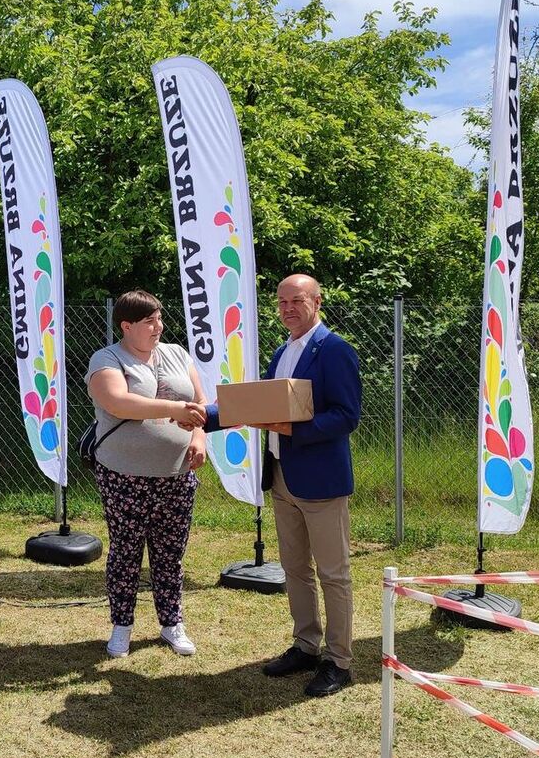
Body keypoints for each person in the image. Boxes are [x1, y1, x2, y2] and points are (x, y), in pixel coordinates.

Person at [207, 274, 362, 697]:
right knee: (295, 569)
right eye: (282, 302)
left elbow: (347, 416)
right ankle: (306, 646)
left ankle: (339, 661)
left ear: (317, 302)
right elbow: (256, 404)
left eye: (297, 300)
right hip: (282, 478)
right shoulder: (282, 352)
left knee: (333, 574)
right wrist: (204, 416)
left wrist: (295, 430)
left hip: (321, 483)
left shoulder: (334, 350)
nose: (288, 308)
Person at [86, 290, 208, 659]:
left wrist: (199, 437)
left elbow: (200, 404)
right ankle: (122, 626)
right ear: (126, 326)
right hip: (124, 475)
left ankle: (172, 623)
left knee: (171, 551)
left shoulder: (177, 354)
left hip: (177, 474)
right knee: (126, 552)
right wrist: (174, 409)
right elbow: (119, 402)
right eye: (149, 321)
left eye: (159, 319)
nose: (159, 326)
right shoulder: (106, 359)